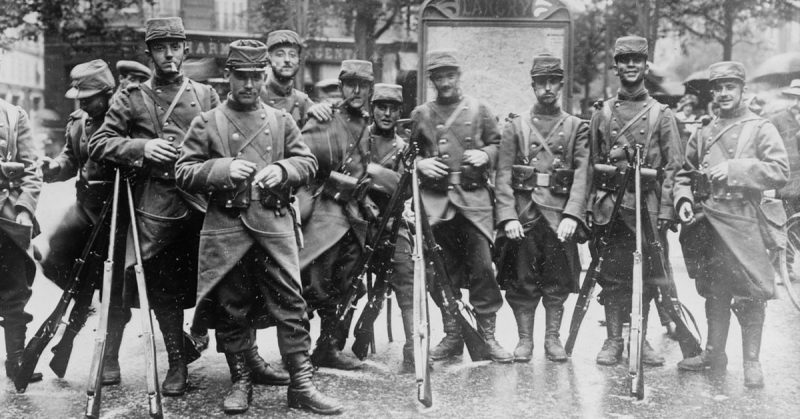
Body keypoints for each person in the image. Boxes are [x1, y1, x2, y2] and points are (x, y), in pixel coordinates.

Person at [175, 39, 341, 415]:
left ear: (264, 76)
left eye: (255, 77)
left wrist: (283, 169)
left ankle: (301, 383)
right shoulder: (208, 121)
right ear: (227, 77)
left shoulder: (280, 121)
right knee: (231, 308)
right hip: (227, 228)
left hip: (273, 225)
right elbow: (183, 172)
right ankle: (241, 381)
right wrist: (221, 169)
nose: (249, 85)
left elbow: (307, 163)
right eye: (241, 77)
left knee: (292, 305)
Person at [89, 16, 219, 396]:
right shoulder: (131, 97)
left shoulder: (207, 96)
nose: (168, 55)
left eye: (174, 46)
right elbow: (100, 143)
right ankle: (177, 363)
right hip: (154, 209)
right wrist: (141, 148)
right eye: (160, 48)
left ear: (185, 50)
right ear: (149, 53)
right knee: (164, 287)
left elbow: (222, 143)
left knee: (225, 276)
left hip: (200, 202)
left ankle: (238, 363)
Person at [674, 61, 788, 389]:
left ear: (742, 91)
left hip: (745, 221)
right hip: (710, 222)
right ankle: (714, 353)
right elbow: (685, 172)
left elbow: (780, 171)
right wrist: (683, 199)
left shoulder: (760, 127)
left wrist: (736, 169)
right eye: (718, 88)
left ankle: (751, 361)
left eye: (730, 87)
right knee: (715, 290)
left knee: (752, 293)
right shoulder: (705, 131)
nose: (724, 94)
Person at [411, 50, 511, 363]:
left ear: (459, 76)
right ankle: (453, 335)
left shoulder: (480, 109)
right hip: (438, 202)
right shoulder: (421, 114)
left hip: (474, 201)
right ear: (432, 80)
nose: (445, 83)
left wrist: (487, 156)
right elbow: (408, 154)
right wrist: (421, 164)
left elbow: (499, 145)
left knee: (482, 269)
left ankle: (488, 337)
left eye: (449, 75)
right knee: (442, 272)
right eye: (438, 77)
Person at [588, 36, 682, 367]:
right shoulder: (602, 114)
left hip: (649, 207)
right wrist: (590, 208)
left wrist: (667, 211)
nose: (630, 65)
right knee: (613, 276)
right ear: (616, 66)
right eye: (624, 59)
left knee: (649, 275)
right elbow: (591, 163)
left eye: (636, 60)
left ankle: (639, 338)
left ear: (645, 66)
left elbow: (673, 167)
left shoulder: (662, 114)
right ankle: (614, 339)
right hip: (611, 207)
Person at [494, 54, 590, 363]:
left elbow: (582, 174)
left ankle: (552, 338)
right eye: (541, 83)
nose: (547, 88)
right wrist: (507, 216)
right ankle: (525, 340)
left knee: (557, 280)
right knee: (521, 280)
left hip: (559, 215)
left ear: (561, 85)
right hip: (525, 213)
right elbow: (503, 175)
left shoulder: (576, 127)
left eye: (552, 82)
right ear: (533, 85)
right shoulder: (515, 126)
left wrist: (573, 215)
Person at [40, 59, 129, 385]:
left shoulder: (123, 120)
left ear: (108, 94)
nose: (83, 104)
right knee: (55, 258)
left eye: (90, 98)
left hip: (119, 212)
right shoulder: (78, 120)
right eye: (80, 99)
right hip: (85, 206)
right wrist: (53, 168)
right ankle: (82, 303)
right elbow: (69, 158)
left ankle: (110, 359)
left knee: (114, 291)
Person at [297, 60, 380, 370]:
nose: (356, 91)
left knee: (347, 284)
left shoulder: (366, 127)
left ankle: (328, 347)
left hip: (354, 216)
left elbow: (363, 172)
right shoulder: (323, 119)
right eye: (350, 84)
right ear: (342, 87)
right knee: (313, 282)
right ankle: (298, 355)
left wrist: (366, 196)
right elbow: (301, 163)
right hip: (324, 213)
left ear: (371, 90)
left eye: (363, 86)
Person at [365, 83, 415, 368]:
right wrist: (382, 177)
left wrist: (369, 172)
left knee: (406, 272)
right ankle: (330, 340)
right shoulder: (360, 138)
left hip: (392, 224)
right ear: (372, 108)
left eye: (393, 108)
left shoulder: (405, 147)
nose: (386, 113)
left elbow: (403, 189)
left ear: (399, 112)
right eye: (381, 107)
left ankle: (413, 345)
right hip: (357, 221)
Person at [0, 86, 42, 386]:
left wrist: (25, 208)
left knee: (15, 291)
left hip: (6, 217)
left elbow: (31, 169)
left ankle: (16, 361)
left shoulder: (14, 115)